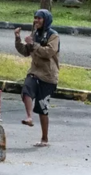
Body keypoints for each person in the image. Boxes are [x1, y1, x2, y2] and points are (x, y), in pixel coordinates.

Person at [15, 9, 60, 147]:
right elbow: (26, 51)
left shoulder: (53, 36)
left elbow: (48, 52)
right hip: (34, 71)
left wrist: (33, 44)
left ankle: (44, 138)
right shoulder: (34, 34)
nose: (36, 21)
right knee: (27, 89)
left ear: (46, 20)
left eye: (39, 18)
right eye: (35, 18)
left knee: (42, 107)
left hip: (48, 76)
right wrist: (18, 39)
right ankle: (29, 117)